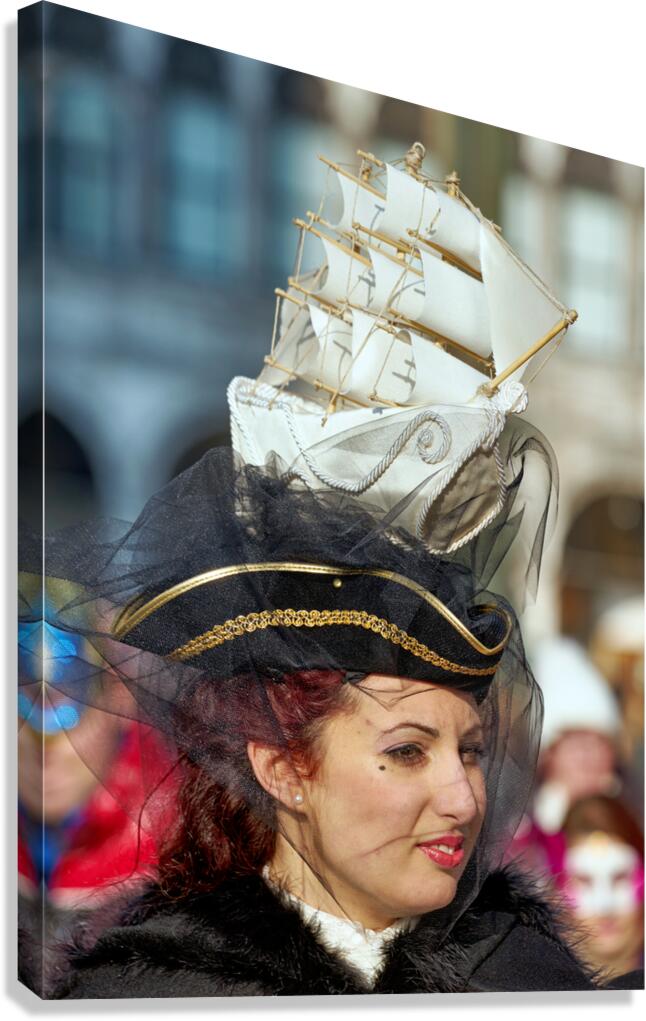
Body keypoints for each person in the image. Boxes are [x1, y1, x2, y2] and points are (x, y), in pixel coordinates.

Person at [22, 449, 609, 998]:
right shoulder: (151, 991)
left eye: (472, 752)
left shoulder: (526, 977)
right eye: (408, 752)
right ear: (282, 769)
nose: (463, 799)